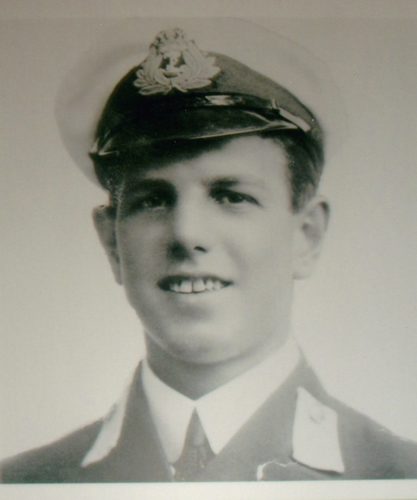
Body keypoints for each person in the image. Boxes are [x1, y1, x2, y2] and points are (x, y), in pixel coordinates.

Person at [2, 23, 417, 483]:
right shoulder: (27, 483)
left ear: (307, 236)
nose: (186, 234)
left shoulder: (395, 475)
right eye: (152, 200)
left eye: (231, 196)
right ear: (111, 243)